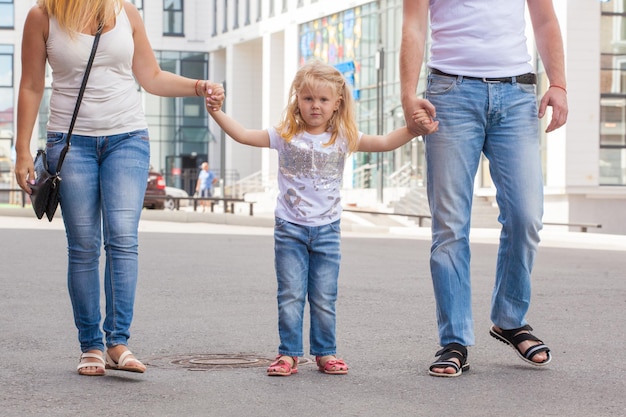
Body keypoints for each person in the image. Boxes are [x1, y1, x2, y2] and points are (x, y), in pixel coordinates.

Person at [14, 0, 224, 376]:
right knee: (83, 247)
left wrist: (197, 85)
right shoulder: (43, 16)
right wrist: (21, 150)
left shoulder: (125, 12)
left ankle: (117, 341)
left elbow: (152, 76)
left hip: (128, 139)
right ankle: (90, 345)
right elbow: (31, 85)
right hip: (71, 143)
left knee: (123, 239)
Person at [206, 60, 416, 376]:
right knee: (290, 294)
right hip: (290, 228)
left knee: (323, 296)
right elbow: (244, 135)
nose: (315, 106)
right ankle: (288, 353)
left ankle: (325, 352)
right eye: (308, 99)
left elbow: (385, 143)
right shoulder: (285, 134)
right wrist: (216, 112)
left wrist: (414, 129)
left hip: (327, 230)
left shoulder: (344, 136)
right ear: (297, 101)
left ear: (337, 104)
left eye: (323, 100)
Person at [399, 0, 568, 377]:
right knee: (450, 225)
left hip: (516, 95)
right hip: (449, 93)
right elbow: (413, 24)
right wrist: (408, 93)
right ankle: (454, 339)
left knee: (527, 215)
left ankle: (509, 320)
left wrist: (558, 82)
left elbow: (544, 19)